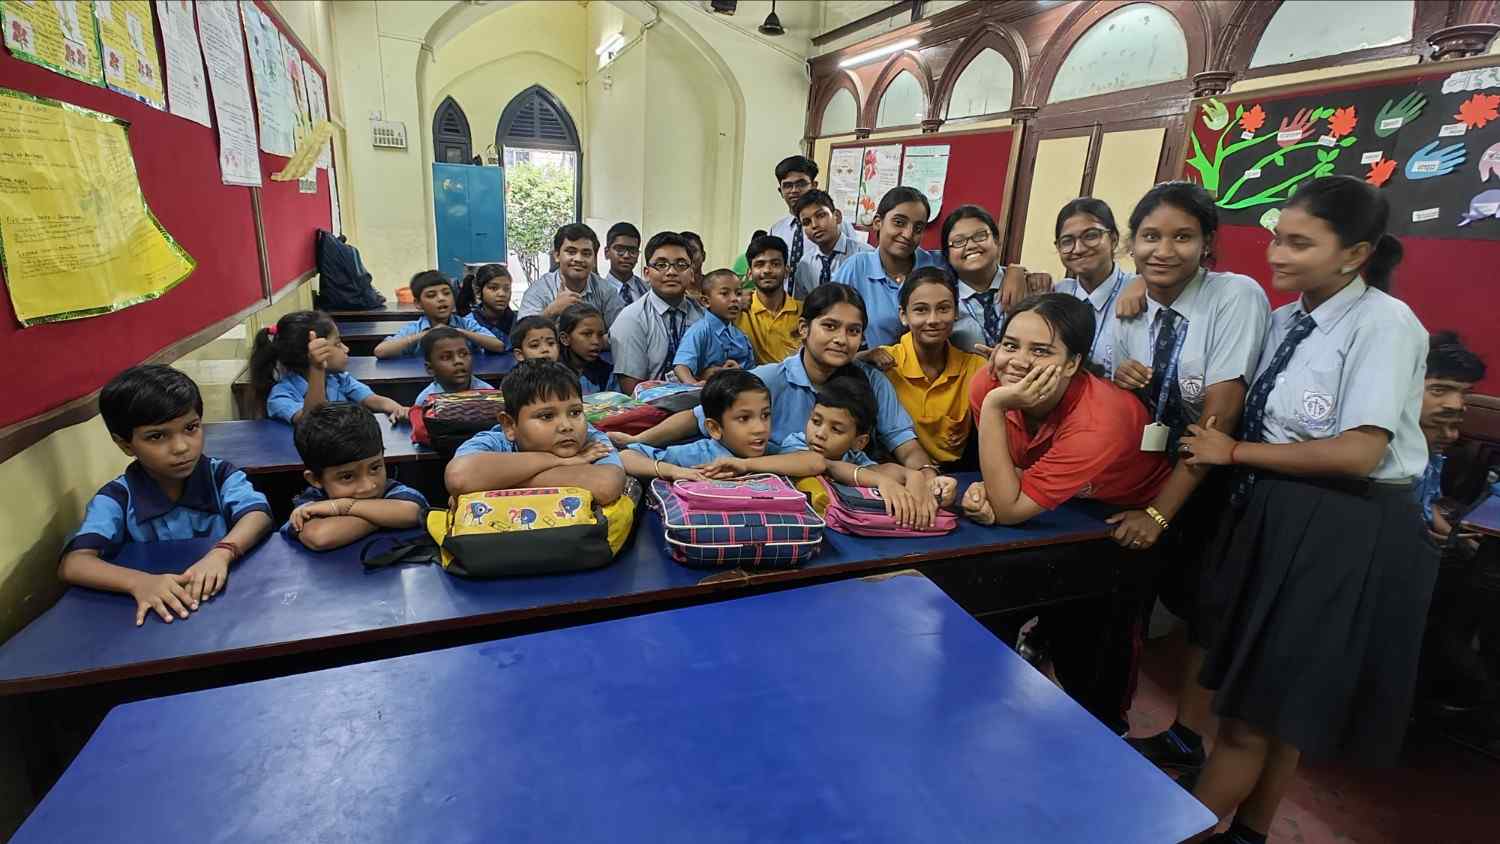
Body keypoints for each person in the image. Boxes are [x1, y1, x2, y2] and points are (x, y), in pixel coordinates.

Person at [1177, 175, 1434, 844]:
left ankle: (1176, 833)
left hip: (1340, 525)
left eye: (1299, 244)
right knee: (1274, 702)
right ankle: (1250, 833)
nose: (1277, 255)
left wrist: (1234, 453)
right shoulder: (1287, 319)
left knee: (1251, 717)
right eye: (1277, 239)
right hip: (1278, 511)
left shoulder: (1383, 324)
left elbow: (1359, 451)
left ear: (1356, 254)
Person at [1103, 182, 1270, 785]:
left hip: (1217, 476)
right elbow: (1115, 393)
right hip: (1151, 467)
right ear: (1132, 243)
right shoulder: (1131, 307)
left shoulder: (1235, 296)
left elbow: (1219, 414)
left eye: (1182, 237)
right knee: (1133, 594)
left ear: (1207, 244)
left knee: (1205, 609)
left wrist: (1160, 514)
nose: (1164, 250)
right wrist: (1120, 376)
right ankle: (1110, 713)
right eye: (1150, 236)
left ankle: (1187, 734)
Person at [617, 283, 946, 528]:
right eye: (830, 326)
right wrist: (638, 440)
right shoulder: (768, 379)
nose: (841, 339)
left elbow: (906, 447)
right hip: (779, 507)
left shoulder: (871, 382)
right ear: (804, 328)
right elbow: (697, 417)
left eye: (853, 331)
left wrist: (927, 478)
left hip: (845, 508)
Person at [58, 365, 273, 626]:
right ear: (125, 444)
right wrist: (140, 582)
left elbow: (257, 515)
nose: (181, 447)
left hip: (224, 609)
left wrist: (222, 553)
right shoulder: (117, 498)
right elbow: (74, 563)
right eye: (157, 436)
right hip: (156, 619)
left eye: (191, 427)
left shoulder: (220, 475)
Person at [963, 293, 1172, 524]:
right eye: (1010, 346)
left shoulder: (1097, 422)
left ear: (1072, 364)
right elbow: (1010, 473)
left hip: (1129, 508)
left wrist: (993, 407)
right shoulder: (989, 384)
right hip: (1062, 496)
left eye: (1040, 351)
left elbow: (1008, 511)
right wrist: (990, 489)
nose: (1018, 362)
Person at [782, 375, 956, 527]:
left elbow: (878, 470)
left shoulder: (853, 456)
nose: (820, 434)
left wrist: (916, 478)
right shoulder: (795, 444)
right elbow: (820, 464)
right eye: (816, 421)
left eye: (836, 429)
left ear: (859, 442)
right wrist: (881, 481)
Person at [444, 360, 627, 504]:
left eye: (575, 412)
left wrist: (494, 481)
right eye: (547, 416)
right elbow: (459, 477)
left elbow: (605, 486)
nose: (566, 426)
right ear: (509, 425)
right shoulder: (493, 442)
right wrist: (562, 461)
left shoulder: (592, 439)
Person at [861, 267, 986, 469]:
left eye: (943, 309)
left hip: (957, 474)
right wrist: (863, 356)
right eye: (921, 310)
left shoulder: (975, 367)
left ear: (956, 312)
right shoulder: (885, 362)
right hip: (897, 472)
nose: (933, 320)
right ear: (903, 315)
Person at [620, 370, 825, 481]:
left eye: (765, 415)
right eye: (744, 418)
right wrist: (673, 471)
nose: (760, 428)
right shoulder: (697, 455)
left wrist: (746, 465)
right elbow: (626, 456)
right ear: (715, 429)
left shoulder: (771, 454)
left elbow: (815, 462)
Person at [285, 403, 428, 551]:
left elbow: (413, 512)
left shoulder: (391, 490)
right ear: (315, 479)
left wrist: (342, 507)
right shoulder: (311, 503)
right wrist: (388, 518)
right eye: (347, 477)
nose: (368, 486)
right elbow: (319, 537)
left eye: (375, 468)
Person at [833, 186, 945, 348]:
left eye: (918, 228)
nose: (908, 234)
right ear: (878, 222)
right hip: (873, 361)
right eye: (899, 222)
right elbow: (829, 322)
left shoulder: (935, 267)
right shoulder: (857, 267)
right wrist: (863, 355)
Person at [250, 310, 406, 426]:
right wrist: (317, 368)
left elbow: (371, 399)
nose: (346, 349)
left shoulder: (338, 378)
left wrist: (398, 409)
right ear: (311, 353)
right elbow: (313, 421)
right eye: (337, 344)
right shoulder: (281, 396)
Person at [1050, 198, 1147, 374]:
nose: (1078, 249)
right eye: (1067, 241)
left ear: (1114, 239)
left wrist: (1146, 281)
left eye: (1091, 236)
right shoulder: (1058, 294)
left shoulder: (1139, 292)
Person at [610, 231, 706, 395]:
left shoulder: (703, 316)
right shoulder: (631, 319)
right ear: (647, 273)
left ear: (691, 274)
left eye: (681, 265)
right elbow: (633, 391)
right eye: (661, 265)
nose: (671, 272)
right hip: (647, 407)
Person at [1418, 331, 1485, 538]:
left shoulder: (1432, 456)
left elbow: (1427, 504)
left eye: (1465, 393)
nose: (1456, 404)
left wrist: (1452, 538)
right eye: (1439, 390)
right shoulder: (1383, 449)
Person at [941, 204, 1022, 354]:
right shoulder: (944, 301)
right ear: (947, 254)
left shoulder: (1026, 285)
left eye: (980, 236)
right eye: (958, 241)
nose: (971, 245)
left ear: (996, 240)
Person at [373, 270, 504, 358]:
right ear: (418, 303)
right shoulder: (415, 329)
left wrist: (459, 332)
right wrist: (425, 335)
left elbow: (498, 345)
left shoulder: (465, 324)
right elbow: (380, 351)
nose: (441, 299)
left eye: (446, 293)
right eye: (431, 295)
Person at [516, 223, 626, 326]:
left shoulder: (606, 291)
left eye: (586, 253)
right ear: (557, 256)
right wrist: (551, 311)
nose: (578, 259)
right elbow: (522, 334)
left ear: (594, 260)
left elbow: (620, 331)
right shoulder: (539, 290)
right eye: (571, 252)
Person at [769, 155, 860, 273]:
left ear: (814, 186)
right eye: (787, 186)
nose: (794, 190)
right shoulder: (776, 230)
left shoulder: (836, 224)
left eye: (801, 184)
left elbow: (855, 260)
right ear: (780, 191)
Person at [673, 268, 753, 384]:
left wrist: (739, 372)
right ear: (706, 301)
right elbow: (681, 367)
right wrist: (695, 386)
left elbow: (752, 372)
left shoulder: (741, 336)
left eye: (738, 293)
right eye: (725, 293)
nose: (735, 299)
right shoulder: (700, 330)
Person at [790, 189, 872, 299]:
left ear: (837, 216)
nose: (814, 225)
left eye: (820, 216)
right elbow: (802, 304)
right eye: (806, 222)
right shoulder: (805, 264)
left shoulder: (867, 256)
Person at [737, 231, 803, 365]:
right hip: (749, 378)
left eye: (775, 264)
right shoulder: (737, 310)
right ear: (749, 273)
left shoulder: (804, 311)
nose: (767, 270)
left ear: (787, 271)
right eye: (759, 264)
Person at [414, 326, 495, 405]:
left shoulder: (488, 394)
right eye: (446, 357)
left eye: (463, 354)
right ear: (430, 368)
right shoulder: (425, 401)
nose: (458, 361)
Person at [557, 303, 616, 394]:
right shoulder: (552, 376)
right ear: (565, 339)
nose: (596, 341)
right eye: (587, 334)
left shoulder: (607, 373)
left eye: (600, 335)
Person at [463, 263, 516, 343]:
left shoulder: (519, 322)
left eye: (506, 289)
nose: (502, 294)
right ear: (478, 292)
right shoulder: (467, 323)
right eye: (493, 288)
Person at [604, 222, 648, 304]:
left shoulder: (648, 290)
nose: (626, 256)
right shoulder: (597, 291)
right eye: (620, 249)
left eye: (633, 251)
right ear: (607, 253)